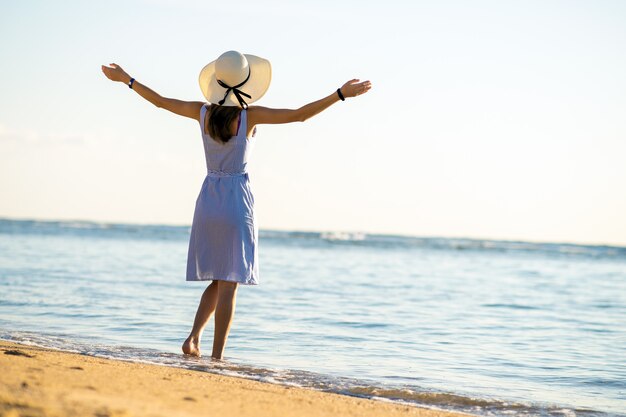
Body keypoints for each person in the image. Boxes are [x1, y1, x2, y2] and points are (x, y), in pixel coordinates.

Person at [101, 50, 371, 360]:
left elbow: (161, 101)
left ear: (216, 82)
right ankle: (217, 357)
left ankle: (193, 338)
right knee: (229, 284)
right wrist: (340, 94)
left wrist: (126, 80)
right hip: (235, 202)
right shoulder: (249, 117)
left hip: (208, 199)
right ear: (246, 82)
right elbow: (300, 115)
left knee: (219, 279)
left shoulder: (202, 112)